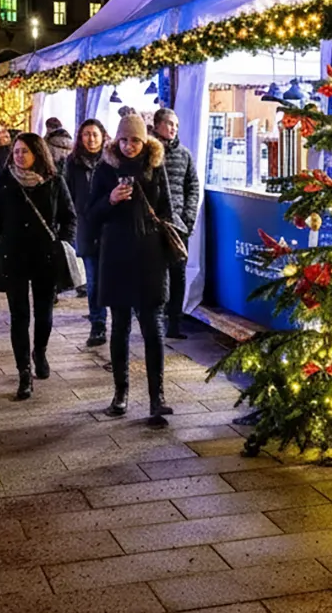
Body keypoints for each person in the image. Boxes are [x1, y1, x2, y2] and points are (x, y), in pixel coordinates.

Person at [87, 113, 176, 427]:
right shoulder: (105, 169)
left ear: (145, 140)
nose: (129, 146)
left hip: (150, 256)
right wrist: (109, 200)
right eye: (124, 140)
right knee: (120, 325)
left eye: (135, 140)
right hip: (117, 255)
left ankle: (157, 397)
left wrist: (160, 230)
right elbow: (91, 213)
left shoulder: (155, 166)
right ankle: (120, 394)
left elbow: (167, 208)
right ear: (117, 140)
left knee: (153, 327)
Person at [0, 132, 77, 400]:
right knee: (19, 316)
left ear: (38, 152)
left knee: (45, 312)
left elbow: (69, 217)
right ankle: (24, 371)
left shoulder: (54, 182)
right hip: (14, 257)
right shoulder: (4, 183)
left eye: (25, 151)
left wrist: (64, 243)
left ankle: (41, 352)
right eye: (17, 151)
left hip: (46, 256)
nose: (20, 156)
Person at [151, 108, 199, 339]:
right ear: (157, 124)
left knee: (178, 273)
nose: (173, 129)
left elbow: (193, 187)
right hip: (154, 224)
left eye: (176, 125)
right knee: (155, 273)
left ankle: (175, 323)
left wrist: (188, 219)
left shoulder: (184, 155)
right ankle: (154, 319)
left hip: (179, 225)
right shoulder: (148, 153)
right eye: (170, 124)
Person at [67, 118, 109, 341]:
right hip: (87, 229)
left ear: (103, 136)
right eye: (86, 135)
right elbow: (68, 195)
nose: (91, 139)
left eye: (94, 134)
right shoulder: (72, 163)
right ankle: (98, 324)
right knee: (93, 281)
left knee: (115, 277)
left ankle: (123, 322)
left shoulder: (112, 161)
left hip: (111, 228)